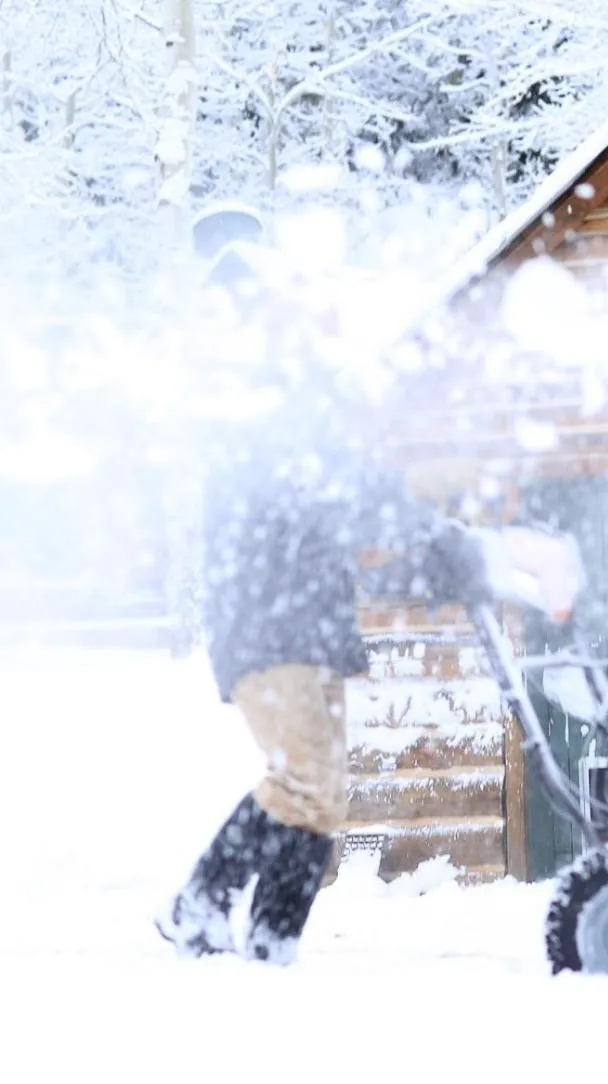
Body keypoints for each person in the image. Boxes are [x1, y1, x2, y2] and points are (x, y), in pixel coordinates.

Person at [155, 356, 488, 966]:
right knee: (305, 780)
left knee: (326, 796)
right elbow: (353, 503)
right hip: (270, 635)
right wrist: (431, 519)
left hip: (309, 638)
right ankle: (198, 904)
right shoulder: (271, 435)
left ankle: (273, 937)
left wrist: (438, 553)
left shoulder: (307, 442)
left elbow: (352, 533)